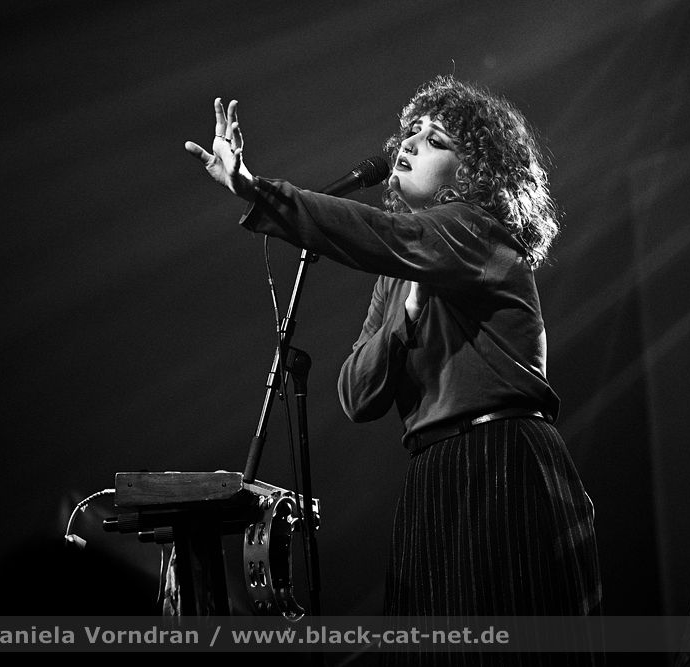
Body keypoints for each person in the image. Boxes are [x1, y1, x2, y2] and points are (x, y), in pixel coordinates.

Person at [185, 76, 602, 645]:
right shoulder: (398, 274)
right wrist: (406, 316)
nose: (408, 143)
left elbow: (374, 231)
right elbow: (357, 395)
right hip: (436, 474)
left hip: (501, 461)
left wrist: (255, 189)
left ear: (473, 172)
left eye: (435, 139)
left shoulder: (478, 231)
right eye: (410, 131)